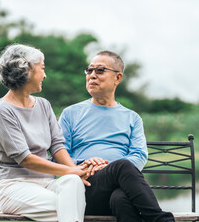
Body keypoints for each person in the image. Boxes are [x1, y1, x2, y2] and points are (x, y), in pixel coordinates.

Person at [58, 51, 175, 222]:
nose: (92, 76)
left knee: (120, 199)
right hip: (84, 189)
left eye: (99, 70)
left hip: (119, 190)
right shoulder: (70, 114)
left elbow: (139, 155)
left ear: (117, 78)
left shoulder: (132, 118)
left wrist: (107, 169)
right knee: (122, 166)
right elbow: (58, 153)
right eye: (89, 70)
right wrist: (83, 167)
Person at [0, 44, 89, 222]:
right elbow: (26, 159)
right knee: (68, 206)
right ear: (26, 70)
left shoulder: (43, 105)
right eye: (42, 68)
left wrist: (74, 172)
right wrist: (71, 169)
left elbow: (57, 145)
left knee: (72, 184)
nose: (45, 75)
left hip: (48, 184)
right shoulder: (2, 111)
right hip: (14, 186)